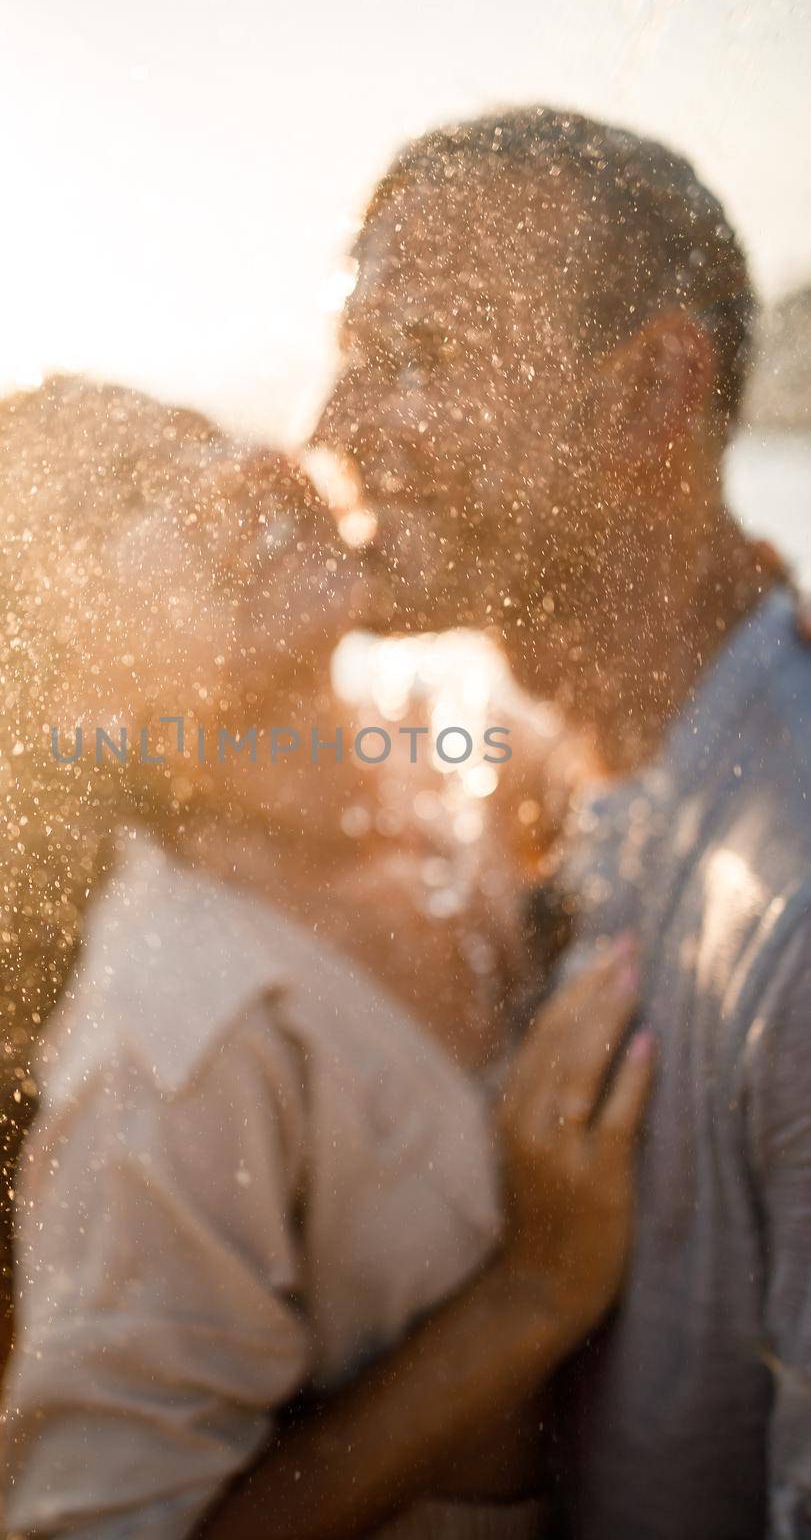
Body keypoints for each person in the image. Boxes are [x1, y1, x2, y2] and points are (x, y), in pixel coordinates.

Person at [0, 375, 652, 1538]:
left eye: (199, 437)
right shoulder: (174, 1029)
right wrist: (523, 1297)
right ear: (70, 688)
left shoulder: (461, 738)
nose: (238, 469)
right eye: (132, 492)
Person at [312, 106, 811, 1538]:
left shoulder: (783, 927)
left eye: (416, 359)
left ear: (652, 394)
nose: (329, 432)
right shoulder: (467, 710)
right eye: (352, 356)